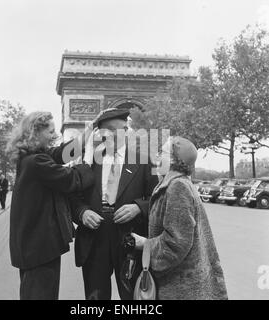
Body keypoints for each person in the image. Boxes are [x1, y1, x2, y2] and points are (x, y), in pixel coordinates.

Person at [6, 111, 97, 300]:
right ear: (35, 132)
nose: (54, 136)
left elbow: (59, 154)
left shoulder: (32, 156)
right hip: (39, 247)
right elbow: (71, 179)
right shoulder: (37, 161)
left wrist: (86, 133)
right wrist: (88, 161)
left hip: (33, 246)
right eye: (50, 132)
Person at [70, 108, 158, 300]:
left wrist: (138, 207)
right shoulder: (87, 161)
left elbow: (157, 200)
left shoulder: (144, 161)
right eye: (106, 130)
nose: (110, 135)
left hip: (129, 239)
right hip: (94, 238)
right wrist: (83, 213)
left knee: (132, 298)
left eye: (117, 129)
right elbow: (73, 199)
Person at [132, 136, 228, 300]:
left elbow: (177, 243)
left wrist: (144, 244)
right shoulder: (178, 183)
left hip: (182, 287)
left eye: (162, 152)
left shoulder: (177, 186)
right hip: (184, 283)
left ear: (174, 160)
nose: (156, 156)